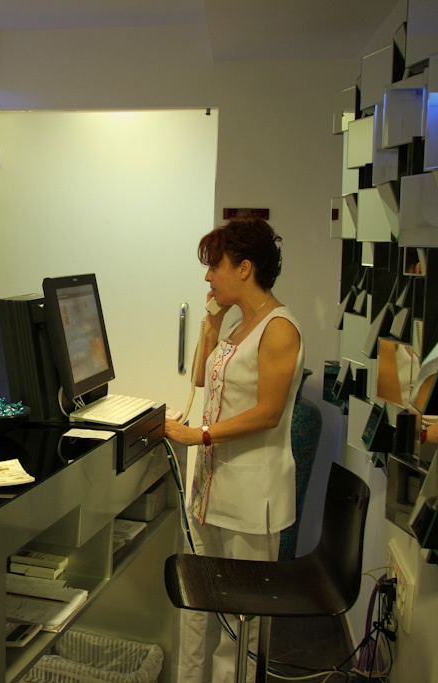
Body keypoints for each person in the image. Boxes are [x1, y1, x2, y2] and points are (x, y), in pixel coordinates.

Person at [165, 217, 304, 683]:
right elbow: (201, 378)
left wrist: (199, 436)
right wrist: (211, 321)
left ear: (244, 268)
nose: (208, 276)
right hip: (210, 492)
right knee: (196, 606)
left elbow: (268, 413)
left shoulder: (279, 328)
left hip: (250, 498)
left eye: (215, 266)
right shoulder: (241, 325)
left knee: (241, 624)